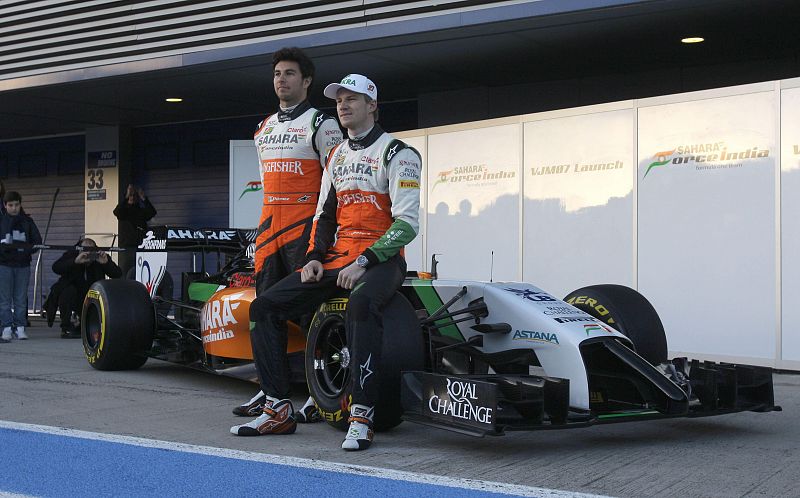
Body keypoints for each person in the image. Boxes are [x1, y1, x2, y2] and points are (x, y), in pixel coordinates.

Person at [231, 74, 422, 452]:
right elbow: (324, 215)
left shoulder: (398, 153)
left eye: (353, 99)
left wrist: (365, 261)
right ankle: (276, 407)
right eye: (339, 100)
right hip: (337, 257)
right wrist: (315, 257)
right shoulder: (336, 155)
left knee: (362, 304)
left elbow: (407, 225)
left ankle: (362, 413)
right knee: (265, 306)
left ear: (373, 106)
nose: (344, 105)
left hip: (382, 260)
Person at [231, 47, 343, 422]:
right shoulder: (263, 128)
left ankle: (318, 390)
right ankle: (270, 391)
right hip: (268, 230)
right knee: (265, 312)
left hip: (304, 228)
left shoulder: (321, 124)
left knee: (312, 312)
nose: (282, 79)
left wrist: (324, 237)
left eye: (290, 73)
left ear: (306, 80)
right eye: (278, 73)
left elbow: (337, 182)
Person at [46, 238, 122, 338]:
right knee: (67, 292)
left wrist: (106, 263)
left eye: (91, 251)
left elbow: (117, 274)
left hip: (92, 294)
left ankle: (86, 325)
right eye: (85, 250)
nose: (88, 254)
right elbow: (56, 267)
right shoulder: (72, 255)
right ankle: (66, 327)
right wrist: (75, 261)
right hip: (74, 294)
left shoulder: (100, 258)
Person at [0, 191, 42, 342]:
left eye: (16, 204)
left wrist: (25, 250)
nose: (14, 208)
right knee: (4, 299)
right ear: (5, 206)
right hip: (4, 265)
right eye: (10, 205)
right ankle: (6, 327)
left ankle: (20, 328)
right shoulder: (1, 221)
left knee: (20, 298)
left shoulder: (28, 221)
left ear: (20, 204)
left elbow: (38, 241)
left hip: (23, 264)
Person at [113, 184, 156, 276]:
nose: (132, 198)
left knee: (141, 272)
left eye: (134, 196)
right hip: (126, 247)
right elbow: (116, 212)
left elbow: (152, 212)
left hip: (141, 246)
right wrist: (126, 197)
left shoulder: (140, 211)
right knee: (125, 272)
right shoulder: (123, 211)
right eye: (130, 196)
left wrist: (143, 198)